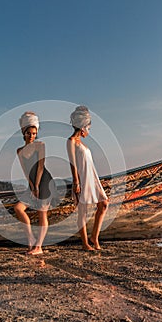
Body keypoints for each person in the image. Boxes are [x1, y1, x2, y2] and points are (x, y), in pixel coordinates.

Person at [14, 111, 56, 255]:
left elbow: (40, 167)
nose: (32, 136)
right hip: (32, 184)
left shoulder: (40, 145)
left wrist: (37, 186)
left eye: (34, 133)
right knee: (18, 208)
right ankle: (31, 239)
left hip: (44, 182)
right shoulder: (19, 151)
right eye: (29, 133)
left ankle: (39, 247)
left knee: (41, 213)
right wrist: (31, 186)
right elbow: (26, 171)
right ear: (23, 132)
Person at [67, 106, 109, 251]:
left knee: (103, 204)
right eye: (88, 128)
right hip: (82, 178)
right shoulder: (71, 141)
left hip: (92, 177)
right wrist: (76, 181)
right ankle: (85, 244)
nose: (89, 131)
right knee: (82, 211)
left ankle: (94, 237)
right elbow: (72, 162)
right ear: (83, 127)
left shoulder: (83, 143)